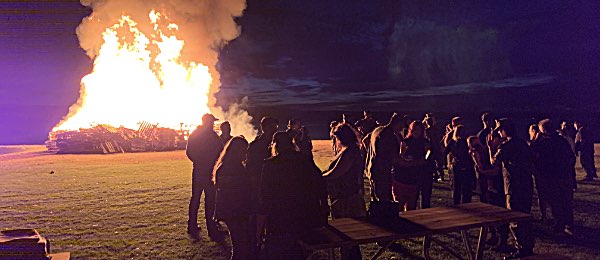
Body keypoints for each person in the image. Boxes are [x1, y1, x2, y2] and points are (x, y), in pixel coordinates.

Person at [257, 132, 328, 259]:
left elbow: (265, 197)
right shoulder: (304, 160)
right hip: (306, 218)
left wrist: (260, 228)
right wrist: (322, 210)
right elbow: (320, 185)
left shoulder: (270, 165)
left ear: (275, 145)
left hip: (281, 221)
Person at [489, 118, 535, 259]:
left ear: (504, 130)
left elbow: (494, 162)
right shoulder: (522, 143)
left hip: (513, 187)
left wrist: (491, 148)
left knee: (515, 218)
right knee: (525, 216)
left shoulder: (506, 146)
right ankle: (528, 245)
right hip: (526, 184)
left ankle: (521, 248)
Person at [322, 124, 367, 259]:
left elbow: (338, 172)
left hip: (347, 199)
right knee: (345, 240)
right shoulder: (347, 150)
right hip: (342, 197)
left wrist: (319, 177)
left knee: (348, 237)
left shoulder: (350, 152)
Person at [531, 119, 576, 236]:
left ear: (543, 130)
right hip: (564, 175)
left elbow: (533, 155)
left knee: (555, 202)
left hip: (550, 177)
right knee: (566, 201)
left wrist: (536, 138)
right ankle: (568, 224)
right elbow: (571, 157)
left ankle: (560, 224)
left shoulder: (542, 143)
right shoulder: (562, 140)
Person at [186, 113, 225, 241]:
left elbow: (189, 152)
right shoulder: (213, 136)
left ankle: (192, 225)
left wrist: (198, 161)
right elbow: (220, 152)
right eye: (212, 122)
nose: (213, 124)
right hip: (209, 171)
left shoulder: (194, 135)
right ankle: (211, 228)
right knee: (209, 200)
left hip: (198, 170)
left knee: (196, 198)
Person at [468, 134, 510, 251]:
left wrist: (482, 171)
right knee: (488, 212)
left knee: (498, 213)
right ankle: (494, 235)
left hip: (495, 186)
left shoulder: (498, 151)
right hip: (486, 185)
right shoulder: (484, 151)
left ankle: (502, 239)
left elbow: (495, 170)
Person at [212, 137, 252, 259]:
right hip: (235, 209)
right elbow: (238, 190)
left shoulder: (223, 167)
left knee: (238, 243)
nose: (246, 153)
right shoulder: (234, 168)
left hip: (229, 209)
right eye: (244, 150)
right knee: (240, 244)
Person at [246, 116, 278, 256]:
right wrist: (256, 190)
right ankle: (257, 244)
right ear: (265, 127)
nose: (275, 129)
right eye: (273, 126)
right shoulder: (256, 145)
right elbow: (252, 169)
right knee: (259, 216)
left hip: (273, 186)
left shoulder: (276, 143)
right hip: (261, 185)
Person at [366, 113, 404, 201]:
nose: (402, 129)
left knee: (375, 200)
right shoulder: (390, 137)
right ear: (398, 123)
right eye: (402, 125)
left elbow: (365, 141)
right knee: (384, 200)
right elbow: (394, 159)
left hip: (373, 169)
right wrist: (403, 155)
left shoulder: (378, 130)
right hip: (383, 173)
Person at [396, 121, 432, 210]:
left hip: (422, 171)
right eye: (415, 129)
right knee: (408, 199)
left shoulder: (425, 142)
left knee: (424, 197)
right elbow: (401, 156)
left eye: (419, 130)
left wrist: (426, 157)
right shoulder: (406, 141)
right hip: (409, 172)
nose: (417, 132)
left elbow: (428, 155)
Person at [444, 125, 474, 205]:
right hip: (466, 165)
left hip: (456, 165)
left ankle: (457, 205)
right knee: (466, 188)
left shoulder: (452, 142)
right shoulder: (466, 142)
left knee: (456, 187)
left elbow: (445, 151)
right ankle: (466, 204)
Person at [476, 113, 495, 203]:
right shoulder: (484, 134)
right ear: (487, 121)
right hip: (486, 160)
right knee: (486, 183)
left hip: (488, 160)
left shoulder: (481, 133)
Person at [423, 113, 444, 182]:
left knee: (431, 163)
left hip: (431, 148)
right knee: (439, 163)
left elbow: (427, 139)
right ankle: (441, 175)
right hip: (437, 147)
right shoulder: (437, 129)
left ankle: (435, 175)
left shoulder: (427, 131)